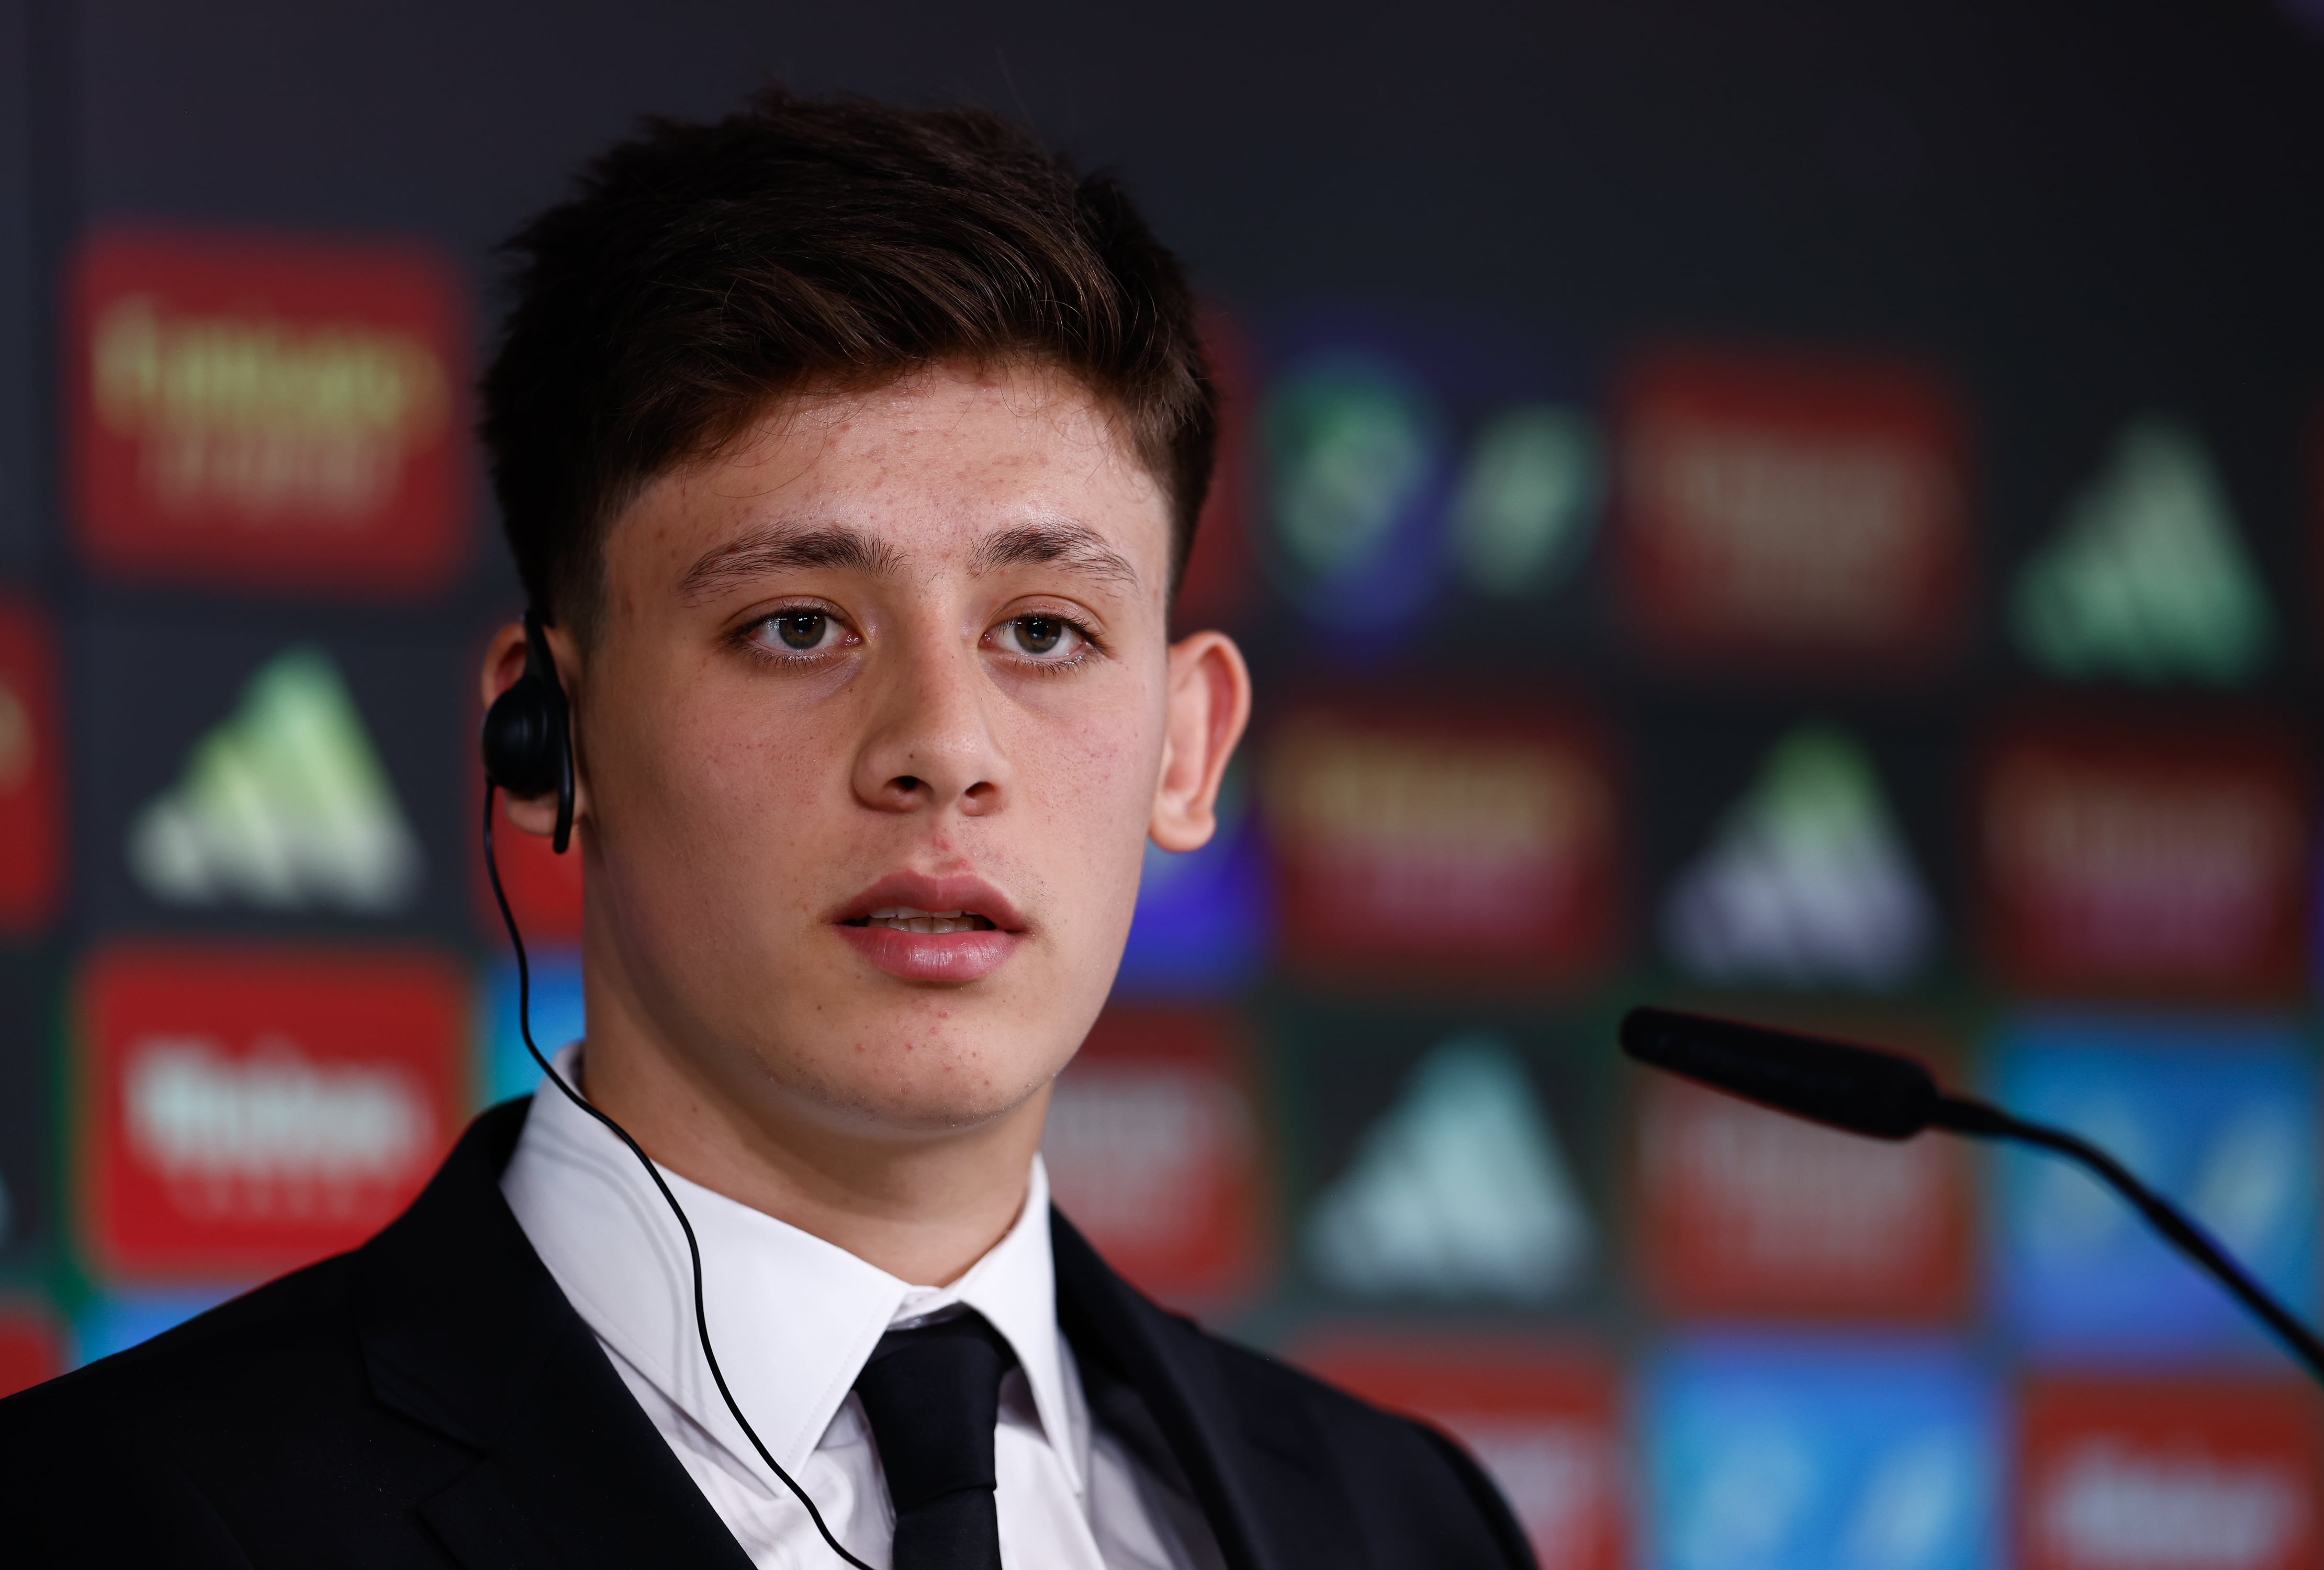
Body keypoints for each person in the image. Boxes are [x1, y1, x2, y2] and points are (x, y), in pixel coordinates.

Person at [0, 94, 1536, 1569]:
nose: (942, 747)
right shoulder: (101, 1515)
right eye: (799, 625)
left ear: (1187, 747)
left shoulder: (1408, 1522)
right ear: (543, 731)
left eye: (1046, 630)